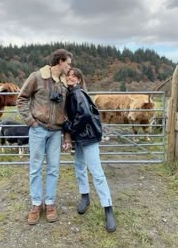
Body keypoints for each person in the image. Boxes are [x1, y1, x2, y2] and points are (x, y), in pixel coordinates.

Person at [17, 49, 73, 225]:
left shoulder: (65, 84)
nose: (70, 67)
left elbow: (67, 112)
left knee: (53, 168)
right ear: (60, 62)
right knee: (35, 168)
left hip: (56, 132)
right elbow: (22, 98)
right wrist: (30, 121)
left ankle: (49, 203)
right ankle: (35, 204)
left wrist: (66, 136)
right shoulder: (37, 76)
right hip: (38, 129)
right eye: (68, 63)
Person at [62, 68, 116, 232]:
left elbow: (84, 115)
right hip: (80, 136)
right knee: (79, 167)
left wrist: (69, 128)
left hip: (88, 136)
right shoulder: (70, 94)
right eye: (68, 75)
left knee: (96, 171)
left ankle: (108, 208)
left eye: (74, 76)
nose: (70, 77)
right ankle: (85, 197)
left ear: (79, 80)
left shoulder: (78, 94)